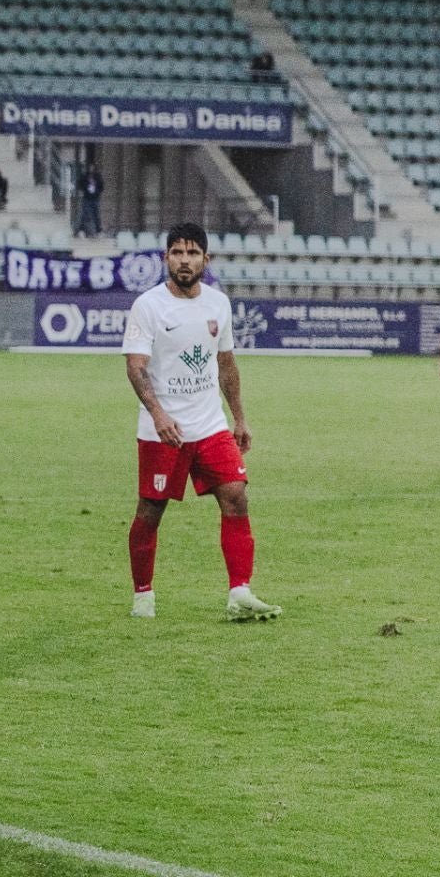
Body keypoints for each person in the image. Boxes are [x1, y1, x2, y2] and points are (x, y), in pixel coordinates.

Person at [123, 224, 279, 623]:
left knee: (236, 496)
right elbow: (136, 367)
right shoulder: (148, 306)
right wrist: (158, 414)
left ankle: (239, 592)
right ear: (165, 258)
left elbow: (226, 364)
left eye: (193, 253)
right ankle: (143, 595)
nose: (184, 260)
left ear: (206, 260)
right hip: (164, 433)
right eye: (177, 252)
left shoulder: (218, 304)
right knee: (151, 511)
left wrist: (239, 417)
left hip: (211, 425)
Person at [77, 163, 105, 236]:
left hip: (95, 198)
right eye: (90, 167)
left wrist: (97, 193)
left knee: (96, 215)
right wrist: (84, 190)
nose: (91, 169)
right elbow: (80, 184)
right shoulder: (85, 176)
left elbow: (101, 186)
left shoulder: (98, 177)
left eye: (92, 167)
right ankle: (81, 230)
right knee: (84, 214)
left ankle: (99, 231)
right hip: (87, 198)